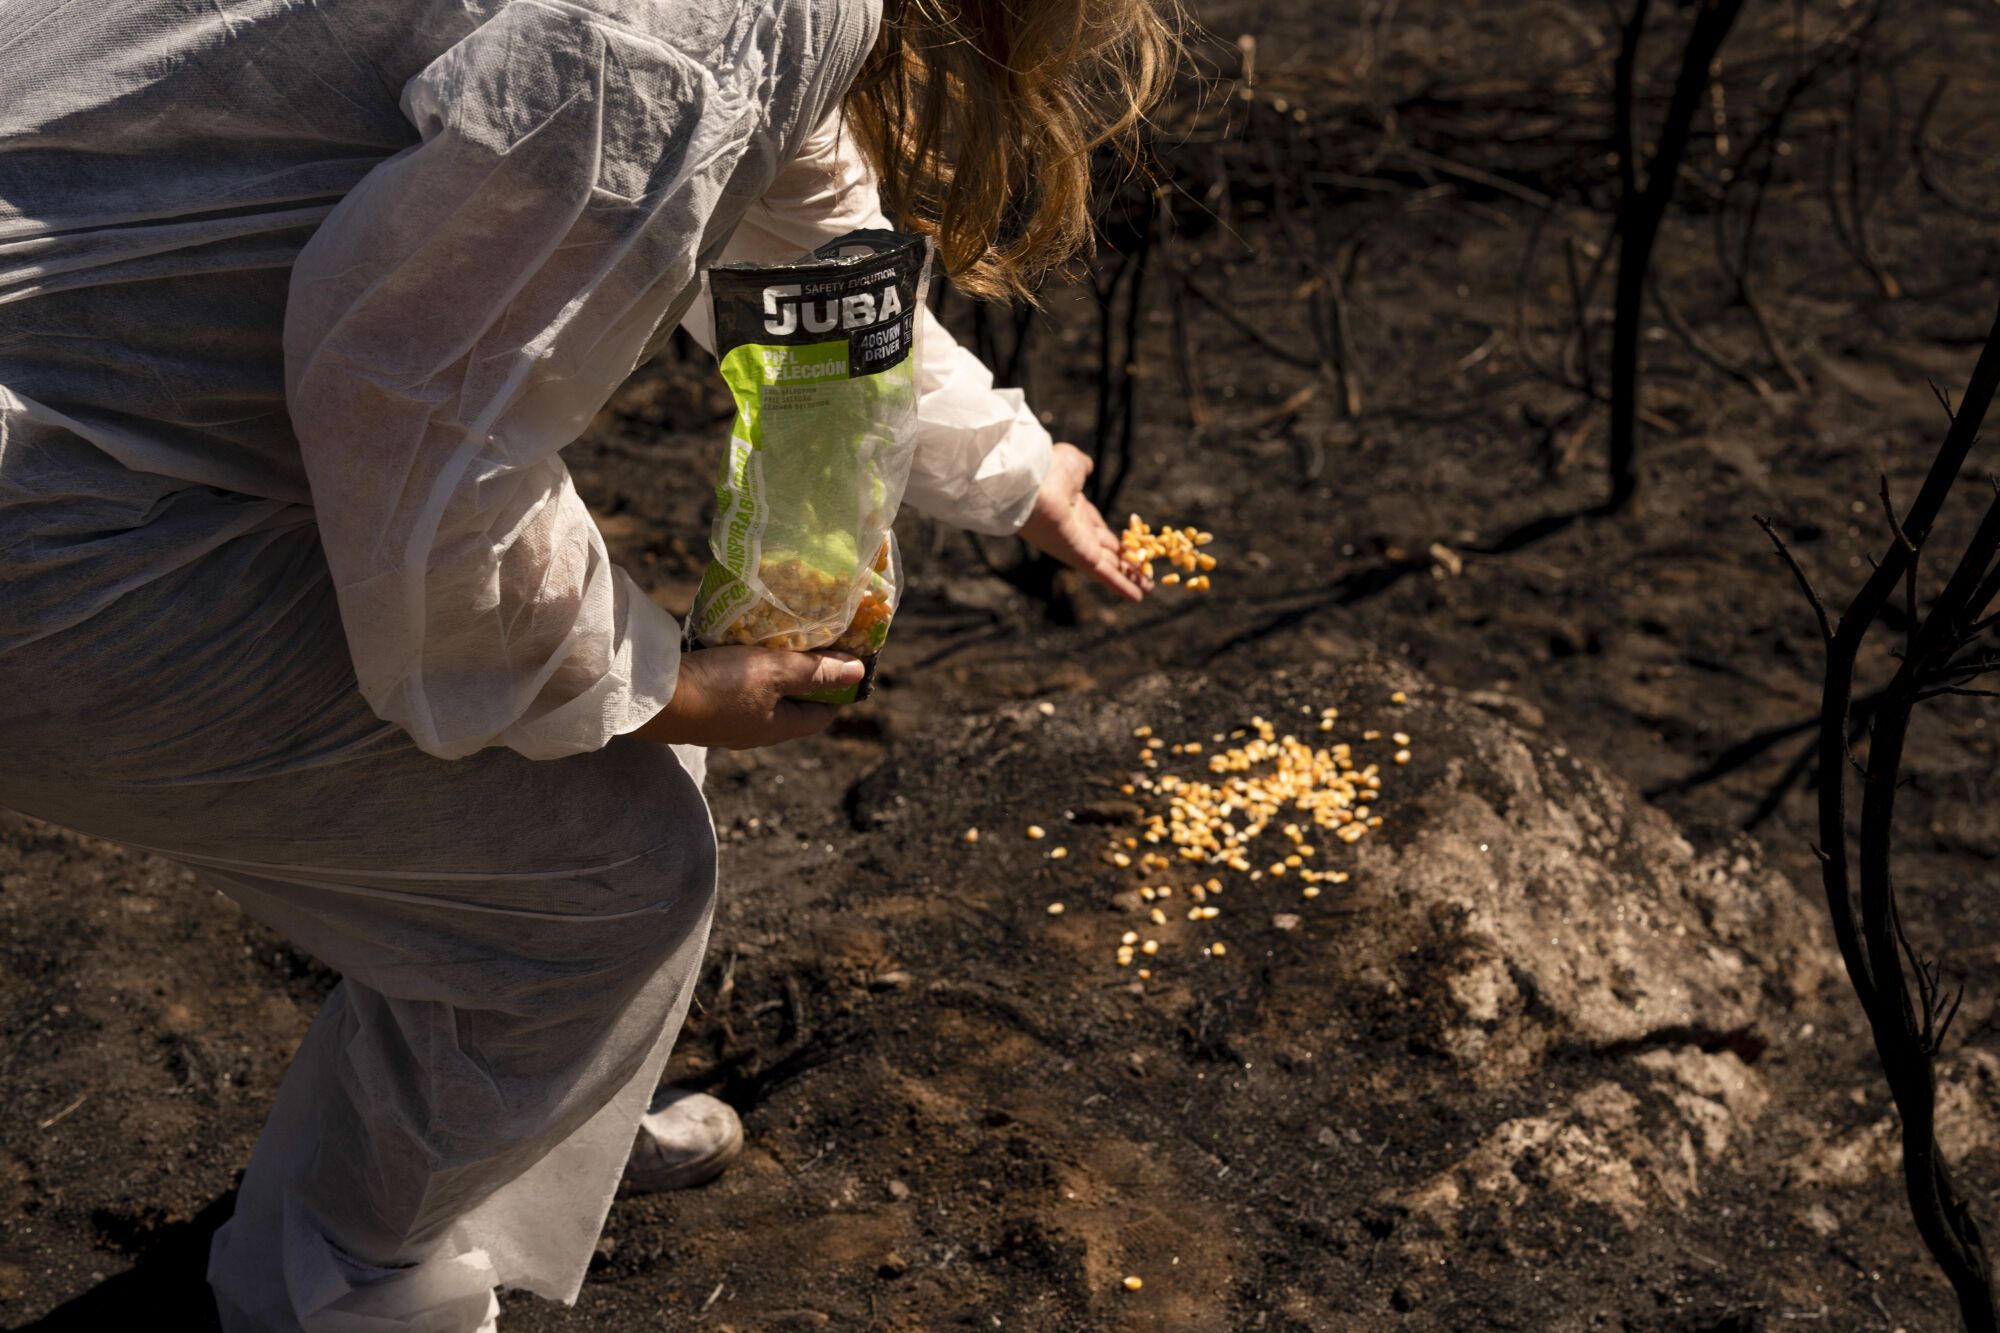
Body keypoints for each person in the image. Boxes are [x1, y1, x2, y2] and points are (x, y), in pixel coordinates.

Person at [0, 0, 1172, 1327]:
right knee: (600, 882)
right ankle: (348, 1285)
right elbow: (406, 410)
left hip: (90, 417)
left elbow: (808, 235)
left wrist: (1018, 475)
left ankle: (527, 1137)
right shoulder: (726, 21)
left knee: (570, 776)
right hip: (54, 513)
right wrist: (650, 678)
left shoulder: (762, 23)